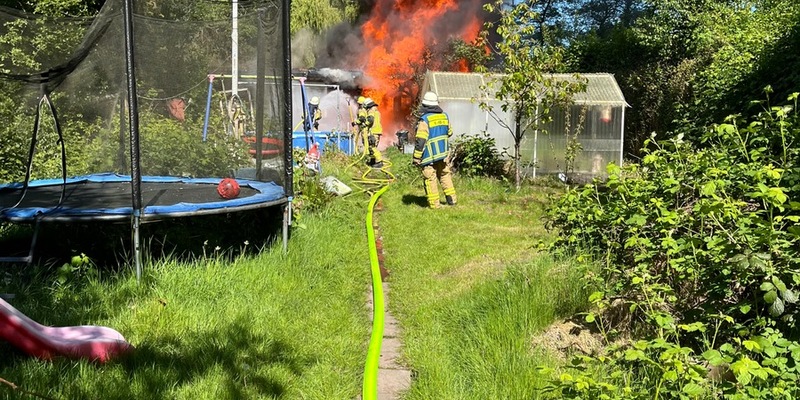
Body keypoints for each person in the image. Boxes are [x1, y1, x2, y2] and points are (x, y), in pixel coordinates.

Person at [413, 91, 457, 208]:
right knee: (444, 175)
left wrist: (416, 157)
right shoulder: (445, 116)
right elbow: (450, 132)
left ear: (425, 105)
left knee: (430, 177)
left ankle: (434, 205)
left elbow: (420, 141)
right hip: (443, 154)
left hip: (429, 155)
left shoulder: (424, 120)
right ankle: (452, 200)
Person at [363, 98, 384, 168]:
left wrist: (365, 124)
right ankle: (373, 161)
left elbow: (370, 120)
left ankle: (379, 161)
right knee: (371, 146)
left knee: (372, 147)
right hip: (377, 131)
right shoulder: (376, 111)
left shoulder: (371, 111)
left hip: (373, 131)